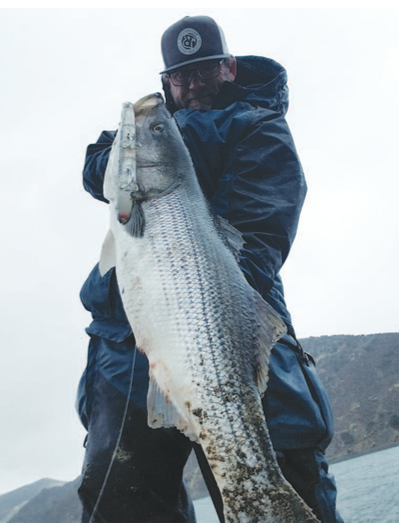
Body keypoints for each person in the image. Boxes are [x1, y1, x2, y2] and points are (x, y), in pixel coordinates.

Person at [76, 15, 343, 523]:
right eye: (181, 76)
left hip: (225, 322)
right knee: (121, 497)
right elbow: (93, 168)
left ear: (229, 67)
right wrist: (133, 147)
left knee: (287, 469)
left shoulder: (261, 125)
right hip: (122, 342)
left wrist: (159, 139)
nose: (193, 85)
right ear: (166, 81)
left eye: (203, 70)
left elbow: (261, 238)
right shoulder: (142, 137)